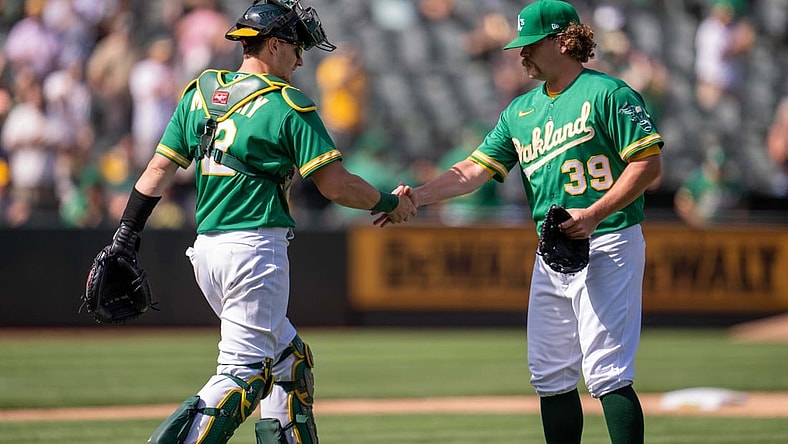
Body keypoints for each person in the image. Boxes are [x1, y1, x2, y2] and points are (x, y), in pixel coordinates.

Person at [100, 1, 415, 443]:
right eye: (298, 47)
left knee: (290, 364)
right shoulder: (288, 104)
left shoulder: (201, 92)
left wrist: (125, 236)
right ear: (275, 44)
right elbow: (335, 185)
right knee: (243, 376)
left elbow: (156, 171)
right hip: (255, 251)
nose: (302, 59)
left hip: (208, 252)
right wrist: (387, 202)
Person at [379, 1, 663, 443]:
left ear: (562, 40)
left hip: (608, 240)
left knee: (607, 372)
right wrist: (418, 197)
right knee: (549, 374)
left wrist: (594, 214)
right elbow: (473, 170)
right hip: (553, 249)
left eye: (530, 44)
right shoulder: (520, 111)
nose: (520, 53)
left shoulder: (608, 93)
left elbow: (648, 164)